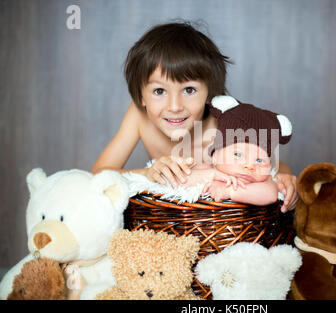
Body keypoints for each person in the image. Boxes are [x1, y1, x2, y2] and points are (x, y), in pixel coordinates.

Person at [90, 22, 298, 212]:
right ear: (141, 95)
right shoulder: (139, 115)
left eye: (189, 90)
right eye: (159, 91)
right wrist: (148, 173)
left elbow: (269, 165)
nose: (174, 107)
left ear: (210, 93)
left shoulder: (226, 123)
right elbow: (98, 174)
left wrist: (284, 178)